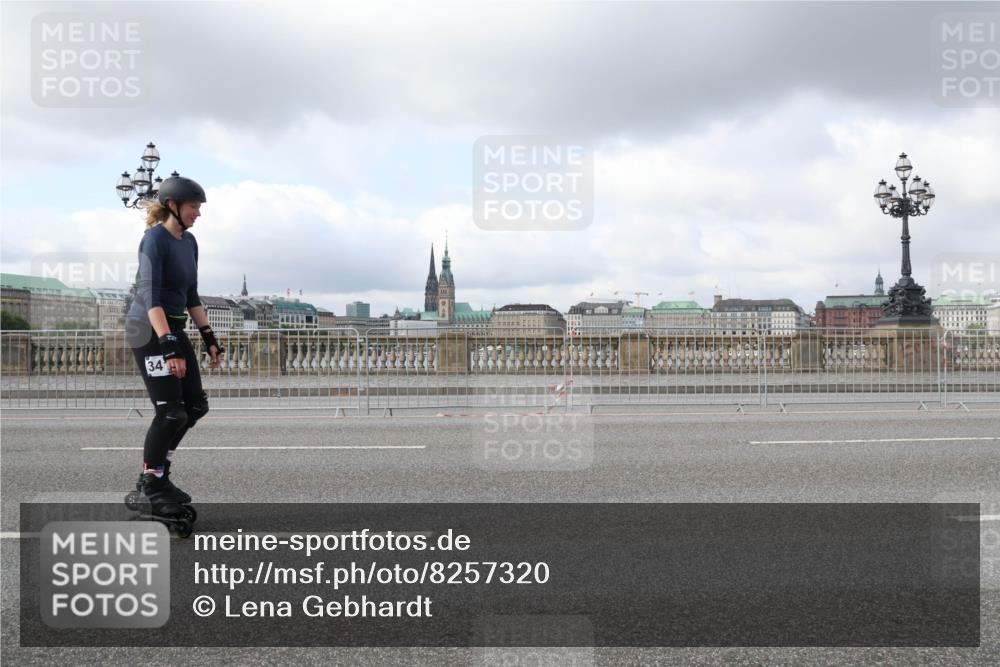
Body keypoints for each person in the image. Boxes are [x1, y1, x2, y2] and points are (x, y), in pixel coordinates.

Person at [124, 176, 223, 520]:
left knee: (194, 406)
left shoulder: (189, 242)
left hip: (174, 325)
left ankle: (158, 475)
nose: (198, 213)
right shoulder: (154, 240)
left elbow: (191, 295)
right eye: (194, 206)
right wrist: (168, 346)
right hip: (148, 328)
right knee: (170, 411)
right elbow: (151, 297)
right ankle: (151, 483)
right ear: (173, 206)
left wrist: (209, 337)